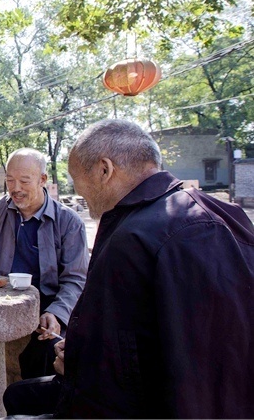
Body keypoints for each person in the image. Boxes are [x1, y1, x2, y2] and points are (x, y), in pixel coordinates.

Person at [54, 118, 254, 418]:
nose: (77, 190)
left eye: (74, 178)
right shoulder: (228, 214)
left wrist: (77, 363)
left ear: (104, 170)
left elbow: (111, 384)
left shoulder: (132, 238)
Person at [0, 148, 88, 379]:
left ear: (42, 180)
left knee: (43, 357)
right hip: (2, 296)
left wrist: (56, 314)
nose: (15, 188)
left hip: (48, 301)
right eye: (10, 180)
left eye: (24, 181)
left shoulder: (69, 222)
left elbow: (75, 280)